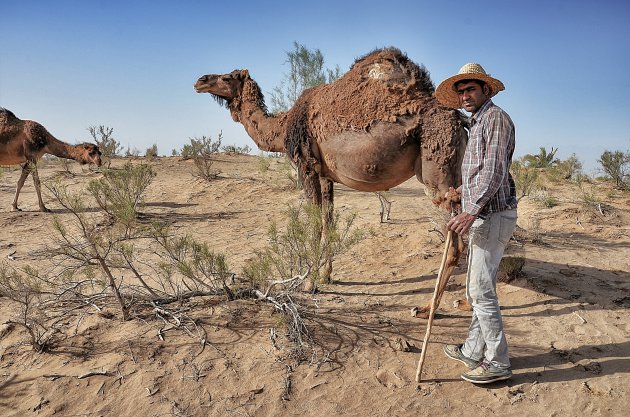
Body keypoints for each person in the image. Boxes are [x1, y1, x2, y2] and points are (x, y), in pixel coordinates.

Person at [434, 63, 518, 384]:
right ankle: (472, 349)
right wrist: (460, 195)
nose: (465, 96)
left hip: (492, 214)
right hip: (483, 213)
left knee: (481, 291)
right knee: (476, 286)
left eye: (471, 89)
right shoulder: (479, 122)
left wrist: (471, 211)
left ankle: (497, 361)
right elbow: (479, 173)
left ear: (486, 90)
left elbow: (494, 171)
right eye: (461, 91)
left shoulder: (495, 119)